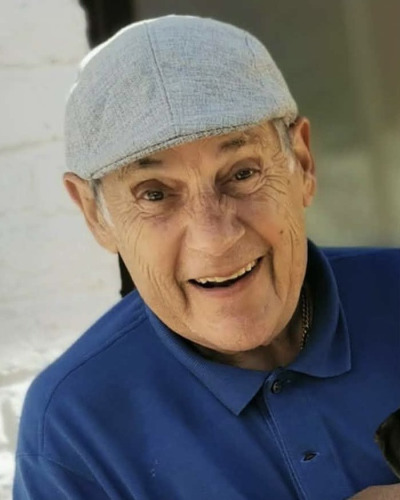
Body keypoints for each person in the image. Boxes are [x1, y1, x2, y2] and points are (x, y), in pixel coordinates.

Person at [13, 15, 400, 500]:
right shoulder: (73, 429)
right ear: (96, 214)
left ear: (301, 162)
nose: (215, 238)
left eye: (242, 173)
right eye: (154, 194)